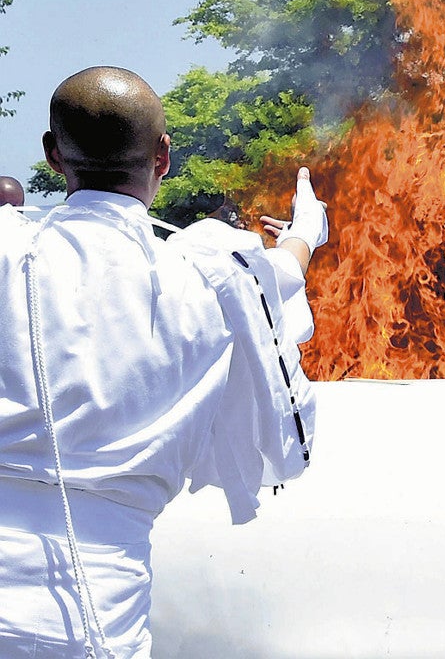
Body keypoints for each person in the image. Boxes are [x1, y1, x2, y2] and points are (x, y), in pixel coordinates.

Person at [0, 66, 328, 658]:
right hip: (95, 625)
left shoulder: (6, 247)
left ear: (52, 155)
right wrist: (307, 231)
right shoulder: (205, 275)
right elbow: (278, 280)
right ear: (164, 156)